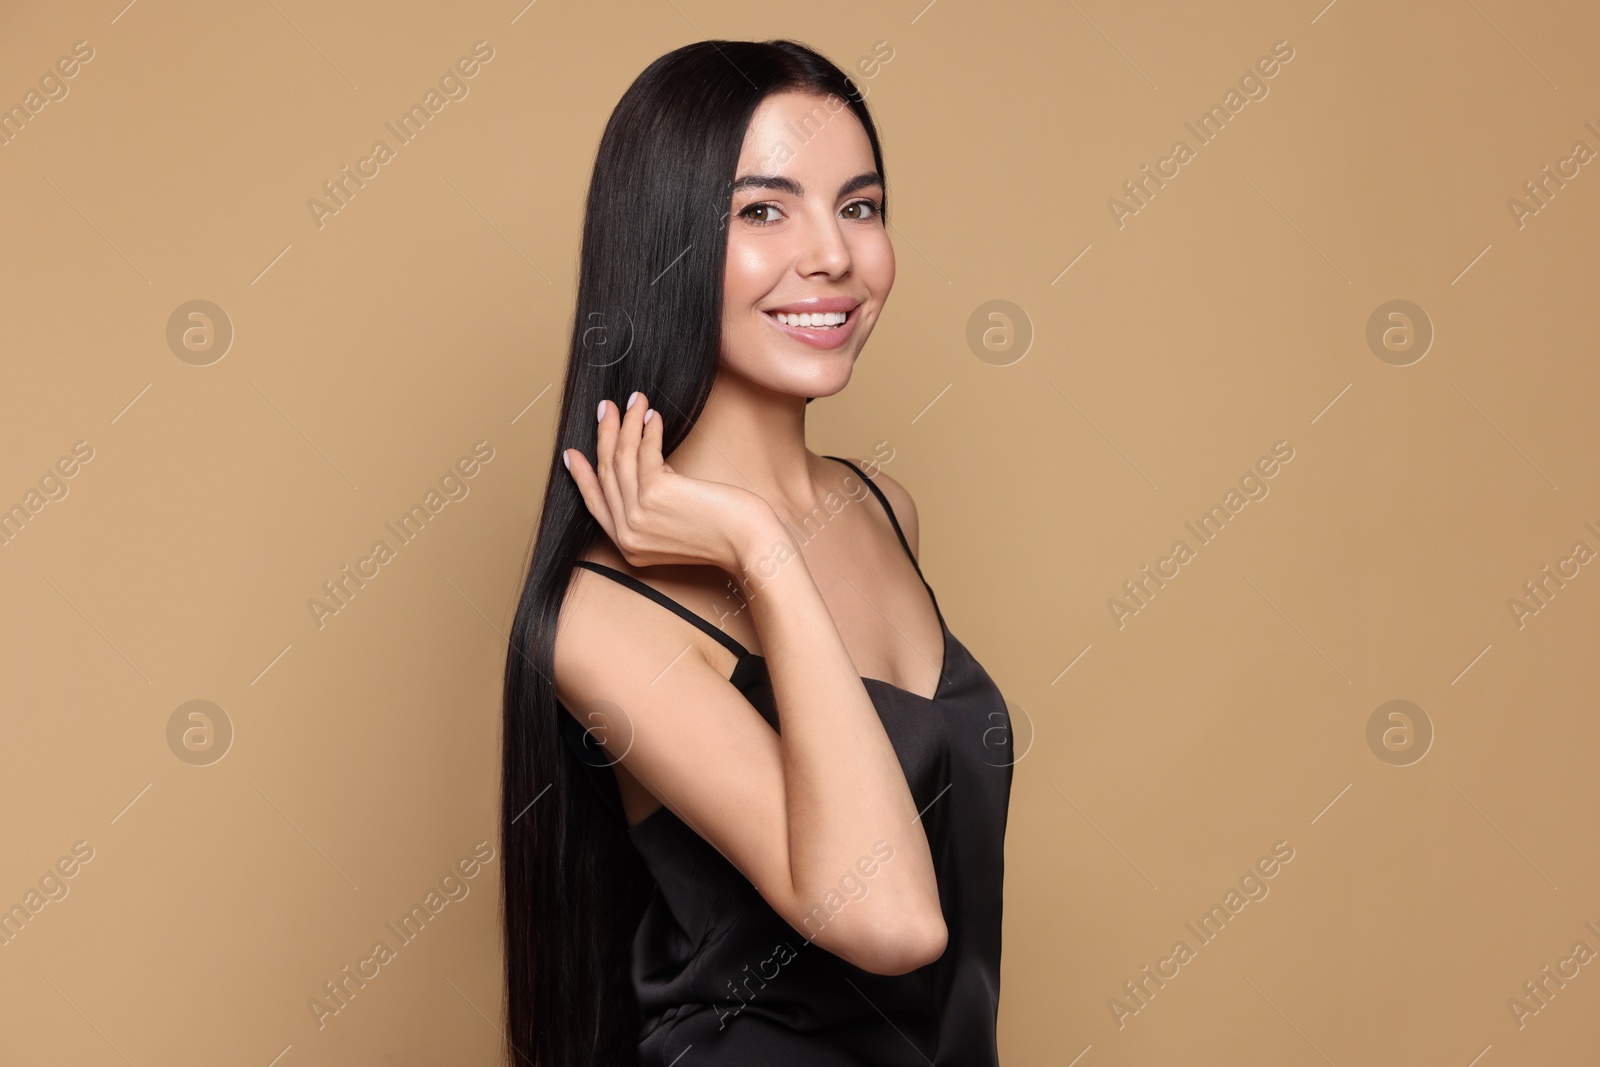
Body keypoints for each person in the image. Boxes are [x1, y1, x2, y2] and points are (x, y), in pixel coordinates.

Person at [500, 38, 1013, 1066]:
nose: (832, 254)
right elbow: (890, 919)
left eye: (859, 206)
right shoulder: (601, 620)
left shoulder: (883, 509)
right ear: (666, 242)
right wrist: (759, 548)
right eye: (763, 210)